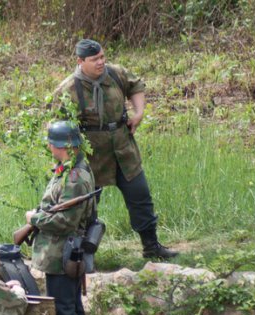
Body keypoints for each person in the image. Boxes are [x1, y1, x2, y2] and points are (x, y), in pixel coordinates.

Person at [54, 39, 177, 259]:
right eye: (95, 59)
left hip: (123, 149)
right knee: (85, 206)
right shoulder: (68, 89)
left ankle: (151, 246)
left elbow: (136, 86)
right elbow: (57, 129)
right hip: (91, 156)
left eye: (102, 57)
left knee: (140, 196)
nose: (101, 62)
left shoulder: (115, 74)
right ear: (80, 61)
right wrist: (68, 163)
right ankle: (79, 255)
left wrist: (138, 114)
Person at [25, 121, 95, 315]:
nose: (48, 147)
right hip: (64, 251)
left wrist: (34, 218)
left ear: (59, 146)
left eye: (51, 143)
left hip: (62, 252)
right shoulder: (69, 169)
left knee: (63, 308)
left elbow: (65, 221)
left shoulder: (74, 178)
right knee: (70, 304)